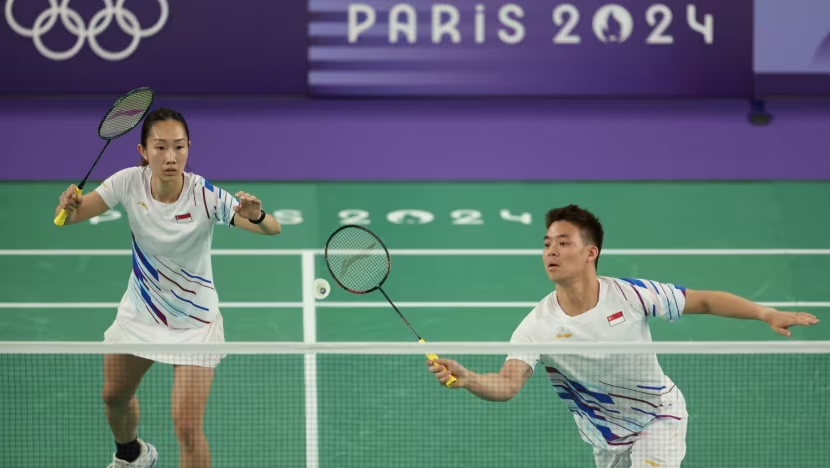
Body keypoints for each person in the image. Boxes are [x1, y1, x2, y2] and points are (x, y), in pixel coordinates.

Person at [427, 204, 819, 468]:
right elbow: (508, 384)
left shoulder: (630, 295)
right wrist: (467, 378)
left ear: (590, 253)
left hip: (658, 416)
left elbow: (702, 301)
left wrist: (765, 312)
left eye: (564, 243)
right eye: (547, 244)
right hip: (606, 437)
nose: (551, 251)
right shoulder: (536, 326)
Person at [54, 107, 282, 468]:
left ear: (189, 148)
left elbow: (272, 228)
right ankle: (132, 454)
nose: (171, 157)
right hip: (140, 315)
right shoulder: (129, 182)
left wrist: (255, 214)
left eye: (179, 147)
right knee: (113, 396)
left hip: (195, 325)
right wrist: (68, 204)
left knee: (188, 427)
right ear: (143, 151)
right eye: (160, 147)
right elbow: (72, 216)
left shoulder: (204, 195)